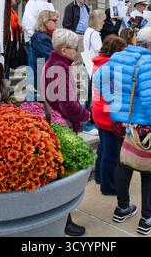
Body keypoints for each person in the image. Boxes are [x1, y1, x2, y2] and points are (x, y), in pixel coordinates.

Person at [94, 26, 151, 236]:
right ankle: (147, 218)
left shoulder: (118, 56)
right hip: (144, 124)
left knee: (123, 163)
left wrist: (112, 101)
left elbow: (99, 79)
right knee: (150, 171)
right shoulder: (148, 62)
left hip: (119, 122)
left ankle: (122, 208)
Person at [42, 29, 89, 237]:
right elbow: (69, 105)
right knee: (65, 173)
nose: (76, 52)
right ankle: (65, 222)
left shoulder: (53, 64)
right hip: (64, 124)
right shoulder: (59, 68)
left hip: (57, 121)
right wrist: (85, 114)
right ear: (64, 49)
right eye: (74, 48)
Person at [91, 35, 127, 196]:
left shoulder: (99, 62)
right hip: (108, 110)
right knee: (111, 152)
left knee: (103, 146)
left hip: (98, 108)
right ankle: (108, 186)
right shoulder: (111, 66)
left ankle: (100, 177)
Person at [29, 10, 58, 96]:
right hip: (41, 76)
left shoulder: (48, 35)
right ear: (46, 22)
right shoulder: (40, 37)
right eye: (54, 20)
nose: (56, 23)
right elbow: (50, 55)